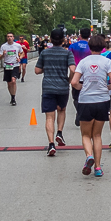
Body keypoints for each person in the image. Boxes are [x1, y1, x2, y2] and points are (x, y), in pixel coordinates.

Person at [70, 33, 111, 177]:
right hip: (102, 100)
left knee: (85, 134)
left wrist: (81, 88)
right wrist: (106, 88)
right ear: (103, 47)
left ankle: (89, 155)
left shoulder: (83, 62)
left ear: (89, 47)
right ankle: (97, 167)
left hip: (86, 101)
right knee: (97, 135)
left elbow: (74, 82)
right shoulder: (107, 61)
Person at [34, 28, 73, 156]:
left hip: (48, 87)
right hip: (62, 87)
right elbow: (73, 69)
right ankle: (59, 133)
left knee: (49, 117)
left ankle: (51, 144)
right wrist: (69, 80)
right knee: (62, 110)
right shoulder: (67, 53)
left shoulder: (45, 53)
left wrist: (48, 68)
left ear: (50, 39)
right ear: (63, 40)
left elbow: (37, 71)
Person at [68, 26, 92, 126]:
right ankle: (84, 113)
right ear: (90, 35)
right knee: (89, 96)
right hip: (90, 75)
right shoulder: (92, 46)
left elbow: (69, 60)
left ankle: (79, 112)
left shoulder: (73, 46)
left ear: (80, 35)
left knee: (76, 97)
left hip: (76, 75)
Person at [0, 32, 25, 106]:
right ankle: (11, 96)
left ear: (13, 37)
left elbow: (22, 53)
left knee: (13, 81)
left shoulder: (17, 45)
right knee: (9, 83)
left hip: (15, 65)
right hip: (7, 65)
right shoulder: (3, 46)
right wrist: (3, 55)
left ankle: (13, 98)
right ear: (6, 38)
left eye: (11, 36)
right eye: (8, 36)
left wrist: (20, 58)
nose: (9, 38)